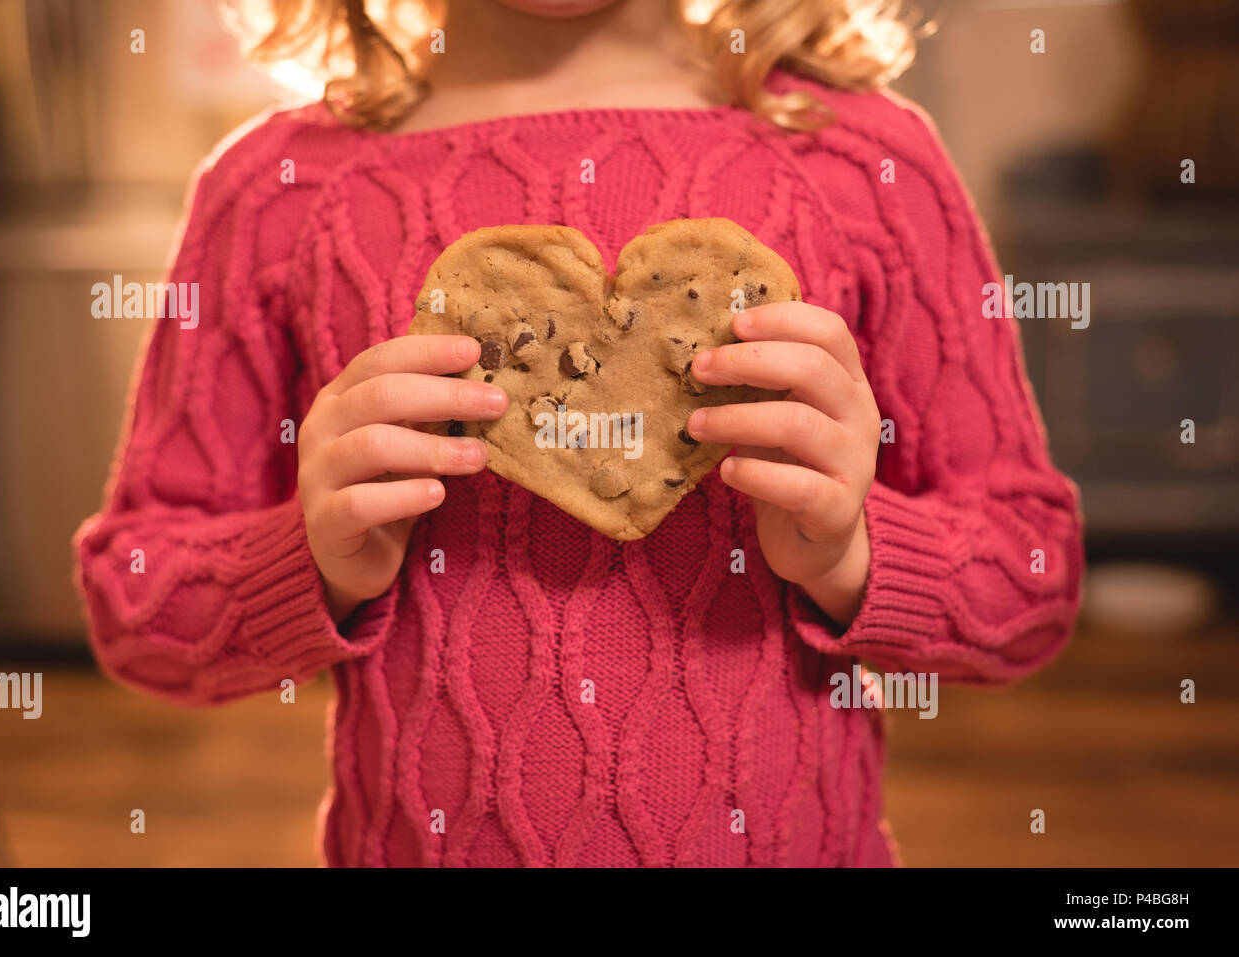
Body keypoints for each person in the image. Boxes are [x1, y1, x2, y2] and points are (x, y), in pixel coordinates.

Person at [73, 0, 1084, 866]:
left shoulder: (863, 165)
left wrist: (851, 553)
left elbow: (1029, 584)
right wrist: (311, 561)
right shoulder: (276, 193)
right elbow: (140, 607)